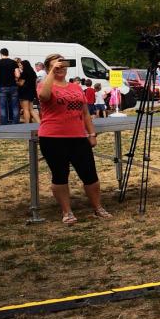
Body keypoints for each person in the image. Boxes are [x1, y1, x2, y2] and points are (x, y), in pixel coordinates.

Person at [38, 54, 110, 224]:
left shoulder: (76, 88)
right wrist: (52, 73)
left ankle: (98, 207)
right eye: (56, 66)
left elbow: (85, 113)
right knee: (60, 175)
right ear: (48, 68)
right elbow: (44, 96)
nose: (60, 68)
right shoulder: (44, 85)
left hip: (77, 137)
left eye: (63, 65)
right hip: (53, 137)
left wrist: (91, 134)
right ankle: (67, 212)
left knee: (90, 174)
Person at [0, 47, 20, 125]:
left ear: (1, 54)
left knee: (2, 106)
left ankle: (4, 123)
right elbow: (18, 74)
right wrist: (15, 79)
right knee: (15, 106)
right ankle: (15, 123)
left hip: (2, 87)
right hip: (13, 86)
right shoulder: (13, 62)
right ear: (8, 53)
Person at [16, 58, 39, 123]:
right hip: (31, 92)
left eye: (21, 65)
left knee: (25, 109)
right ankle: (39, 123)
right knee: (31, 109)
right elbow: (35, 84)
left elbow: (21, 83)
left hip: (24, 93)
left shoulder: (24, 73)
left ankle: (27, 124)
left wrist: (15, 82)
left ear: (24, 65)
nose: (20, 66)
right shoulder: (33, 73)